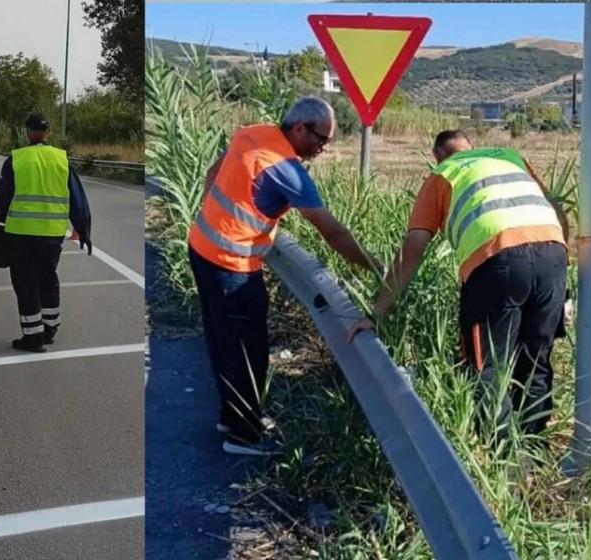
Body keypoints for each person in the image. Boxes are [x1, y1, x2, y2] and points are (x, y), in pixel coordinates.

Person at [347, 129, 571, 448]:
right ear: (472, 147)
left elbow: (414, 247)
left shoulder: (442, 174)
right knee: (535, 358)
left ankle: (505, 462)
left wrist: (377, 312)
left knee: (485, 366)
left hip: (496, 260)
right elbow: (558, 212)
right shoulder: (510, 157)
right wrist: (565, 273)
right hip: (553, 254)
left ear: (438, 156)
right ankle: (535, 452)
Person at [188, 96, 383, 456]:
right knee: (249, 349)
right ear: (298, 128)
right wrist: (376, 267)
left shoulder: (252, 133)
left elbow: (212, 174)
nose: (322, 149)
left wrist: (217, 215)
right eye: (320, 140)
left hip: (201, 247)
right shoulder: (287, 169)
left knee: (222, 340)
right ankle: (243, 436)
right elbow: (333, 232)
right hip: (233, 267)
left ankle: (230, 417)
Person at [0, 112, 92, 353]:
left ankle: (33, 337)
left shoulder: (17, 159)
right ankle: (50, 329)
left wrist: (0, 221)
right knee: (48, 279)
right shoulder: (61, 159)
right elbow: (78, 199)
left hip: (21, 233)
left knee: (26, 283)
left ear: (27, 131)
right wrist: (83, 230)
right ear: (47, 132)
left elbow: (3, 198)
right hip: (52, 234)